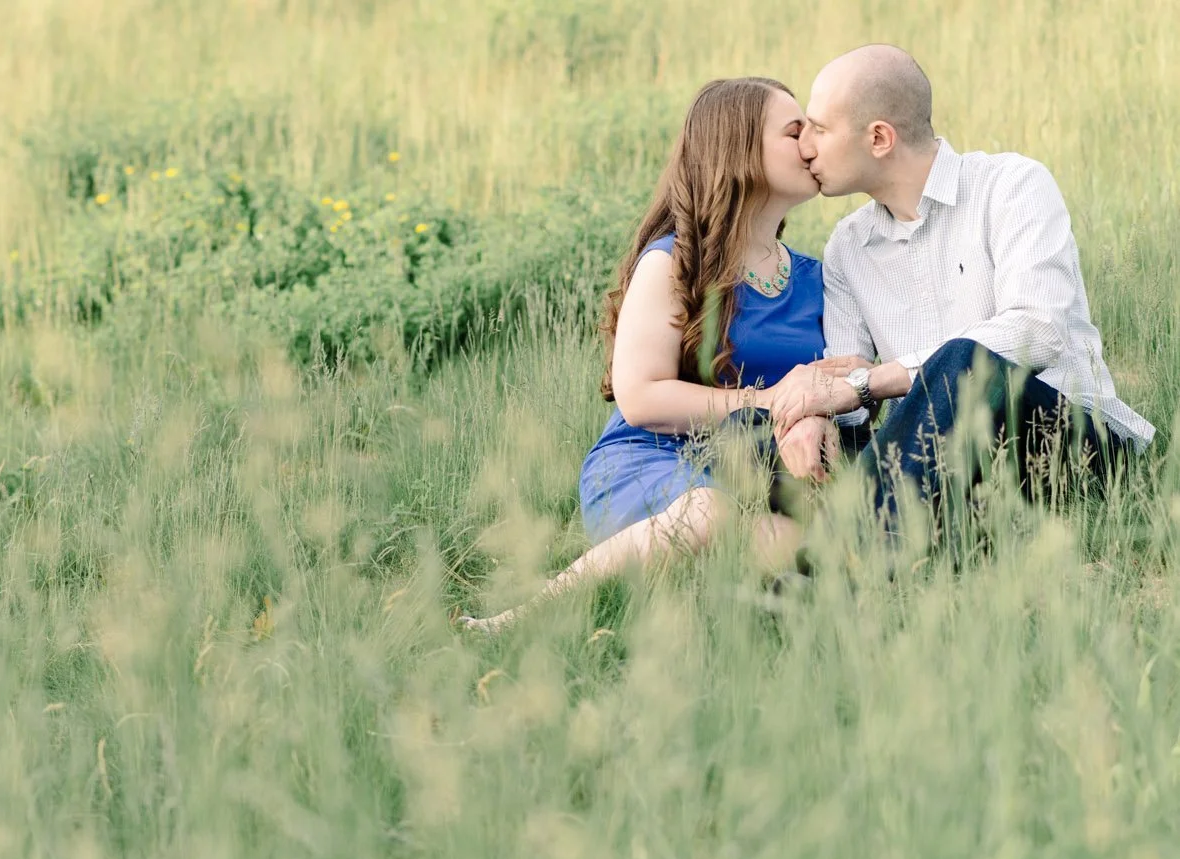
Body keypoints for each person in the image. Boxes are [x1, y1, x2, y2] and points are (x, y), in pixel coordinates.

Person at [459, 77, 854, 635]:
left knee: (805, 545)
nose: (812, 144)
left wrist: (818, 410)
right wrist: (771, 400)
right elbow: (642, 397)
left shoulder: (818, 278)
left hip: (763, 473)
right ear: (738, 148)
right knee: (708, 513)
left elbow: (841, 379)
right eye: (794, 132)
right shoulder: (674, 263)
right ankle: (516, 623)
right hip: (656, 459)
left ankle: (718, 615)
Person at [772, 44, 1156, 523]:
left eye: (820, 128)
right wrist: (815, 413)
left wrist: (873, 381)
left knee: (966, 360)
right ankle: (862, 536)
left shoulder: (1012, 186)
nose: (805, 146)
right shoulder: (848, 246)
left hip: (1068, 442)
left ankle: (847, 545)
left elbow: (1038, 332)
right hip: (943, 455)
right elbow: (845, 388)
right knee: (777, 442)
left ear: (879, 138)